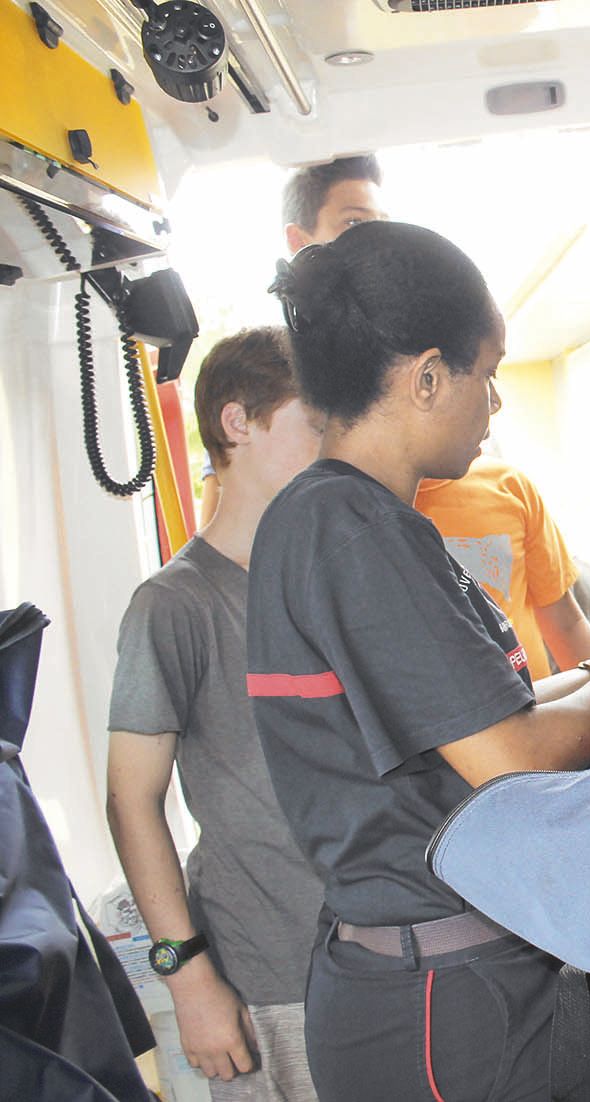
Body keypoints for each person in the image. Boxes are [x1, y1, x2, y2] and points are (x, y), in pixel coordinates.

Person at [246, 220, 590, 1102]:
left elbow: (477, 715)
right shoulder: (354, 530)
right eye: (489, 372)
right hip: (438, 1006)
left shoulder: (336, 518)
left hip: (425, 980)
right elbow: (508, 759)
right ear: (428, 377)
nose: (496, 403)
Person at [107, 327, 325, 1100]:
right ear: (238, 423)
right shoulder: (173, 604)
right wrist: (187, 975)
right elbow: (131, 799)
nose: (335, 442)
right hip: (267, 973)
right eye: (316, 419)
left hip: (380, 963)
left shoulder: (330, 579)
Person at [200, 156, 387, 526]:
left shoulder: (400, 364)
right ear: (299, 242)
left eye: (383, 227)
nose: (376, 244)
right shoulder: (264, 373)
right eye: (354, 223)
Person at [415, 456, 590, 679]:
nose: (489, 424)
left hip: (543, 706)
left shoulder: (507, 484)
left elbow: (566, 625)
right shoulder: (374, 520)